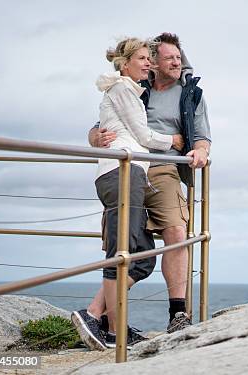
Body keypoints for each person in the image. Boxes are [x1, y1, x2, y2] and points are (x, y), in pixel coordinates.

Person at [88, 32, 211, 334]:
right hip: (129, 166)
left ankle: (177, 312)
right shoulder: (131, 86)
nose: (176, 62)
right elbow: (98, 127)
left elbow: (203, 137)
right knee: (126, 244)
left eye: (178, 58)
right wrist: (95, 138)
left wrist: (200, 152)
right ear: (152, 62)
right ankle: (102, 317)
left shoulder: (190, 93)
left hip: (166, 167)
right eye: (169, 57)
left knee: (176, 230)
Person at [72, 37, 184, 351]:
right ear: (125, 64)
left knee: (140, 258)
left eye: (150, 59)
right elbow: (143, 135)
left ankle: (107, 323)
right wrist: (174, 141)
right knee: (121, 253)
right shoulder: (123, 89)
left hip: (134, 173)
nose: (148, 63)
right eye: (143, 59)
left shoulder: (129, 90)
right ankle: (102, 323)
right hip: (124, 171)